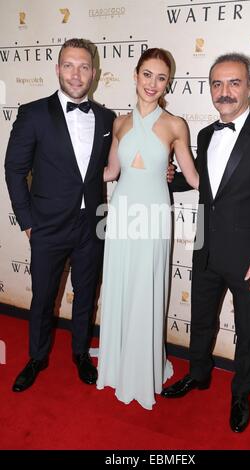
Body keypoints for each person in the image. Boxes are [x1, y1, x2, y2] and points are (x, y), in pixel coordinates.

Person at [162, 53, 250, 432]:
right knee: (200, 320)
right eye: (217, 84)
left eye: (234, 83)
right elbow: (206, 182)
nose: (225, 92)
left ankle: (241, 392)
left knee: (249, 330)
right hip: (205, 249)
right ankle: (198, 374)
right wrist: (173, 178)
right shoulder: (205, 134)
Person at [5, 38, 115, 392]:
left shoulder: (106, 117)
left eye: (84, 66)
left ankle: (80, 353)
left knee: (86, 294)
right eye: (69, 65)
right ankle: (37, 357)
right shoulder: (33, 113)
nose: (76, 73)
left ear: (94, 73)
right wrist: (28, 221)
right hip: (47, 226)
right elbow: (13, 170)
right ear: (57, 69)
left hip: (91, 225)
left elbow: (111, 168)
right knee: (43, 297)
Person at [96, 48, 199, 410]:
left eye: (161, 78)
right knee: (122, 283)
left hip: (154, 214)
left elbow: (193, 177)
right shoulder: (119, 123)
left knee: (147, 287)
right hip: (122, 213)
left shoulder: (175, 125)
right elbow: (110, 172)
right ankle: (118, 359)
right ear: (135, 75)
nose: (152, 83)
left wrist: (241, 185)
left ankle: (142, 366)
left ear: (167, 83)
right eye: (147, 74)